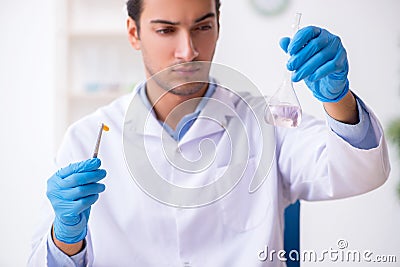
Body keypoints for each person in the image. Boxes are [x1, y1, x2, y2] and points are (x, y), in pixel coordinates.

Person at [29, 0, 390, 266]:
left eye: (202, 27)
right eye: (166, 30)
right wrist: (66, 238)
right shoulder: (88, 138)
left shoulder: (264, 121)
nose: (188, 51)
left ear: (219, 24)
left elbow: (360, 172)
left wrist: (338, 98)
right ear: (134, 33)